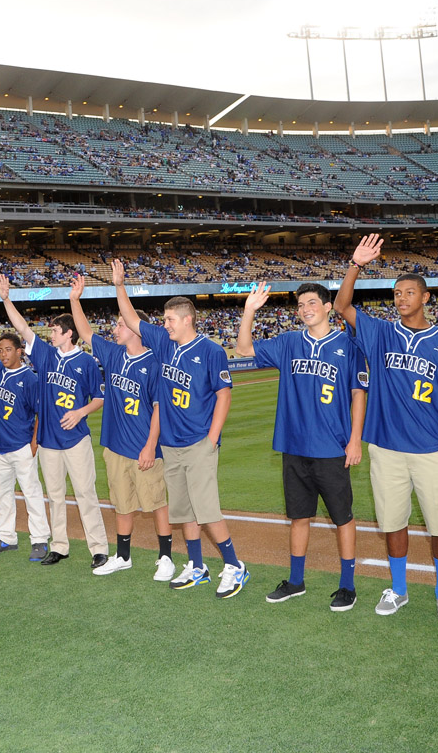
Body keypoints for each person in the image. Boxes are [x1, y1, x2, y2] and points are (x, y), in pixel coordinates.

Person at [333, 233, 438, 623]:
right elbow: (341, 306)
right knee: (393, 523)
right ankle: (399, 589)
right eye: (396, 293)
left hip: (431, 449)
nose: (401, 298)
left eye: (409, 293)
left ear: (425, 297)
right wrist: (356, 264)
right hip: (387, 448)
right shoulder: (381, 333)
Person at [112, 260, 248, 599]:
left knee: (207, 510)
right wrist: (119, 286)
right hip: (171, 444)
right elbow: (131, 318)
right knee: (184, 510)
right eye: (164, 320)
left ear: (187, 319)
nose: (165, 324)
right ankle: (197, 565)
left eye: (170, 319)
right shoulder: (163, 342)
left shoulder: (211, 351)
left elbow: (224, 394)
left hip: (199, 441)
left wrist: (212, 438)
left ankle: (235, 565)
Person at [237, 282, 367, 611]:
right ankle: (296, 581)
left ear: (327, 307)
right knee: (298, 517)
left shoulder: (348, 344)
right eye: (299, 305)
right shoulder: (289, 342)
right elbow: (244, 349)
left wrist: (355, 439)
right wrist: (249, 310)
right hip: (294, 446)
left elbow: (358, 393)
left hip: (332, 447)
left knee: (342, 519)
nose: (305, 309)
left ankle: (348, 585)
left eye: (311, 302)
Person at [0, 273, 109, 569]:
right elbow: (22, 327)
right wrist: (6, 299)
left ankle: (99, 548)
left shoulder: (86, 362)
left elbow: (100, 398)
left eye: (56, 330)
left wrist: (80, 412)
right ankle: (59, 546)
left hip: (76, 439)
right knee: (55, 497)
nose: (51, 334)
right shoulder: (46, 355)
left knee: (86, 494)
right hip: (48, 441)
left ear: (69, 333)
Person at [69, 273, 175, 581]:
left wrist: (150, 446)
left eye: (119, 324)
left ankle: (166, 558)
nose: (115, 328)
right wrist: (75, 300)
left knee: (157, 503)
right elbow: (85, 332)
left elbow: (159, 408)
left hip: (143, 447)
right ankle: (123, 556)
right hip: (115, 446)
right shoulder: (114, 354)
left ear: (134, 328)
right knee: (122, 504)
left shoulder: (154, 363)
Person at [0, 319, 51, 561]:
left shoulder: (30, 379)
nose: (2, 354)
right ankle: (6, 538)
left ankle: (39, 540)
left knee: (31, 494)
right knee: (3, 495)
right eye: (0, 350)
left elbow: (40, 413)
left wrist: (34, 443)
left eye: (7, 350)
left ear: (19, 352)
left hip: (21, 445)